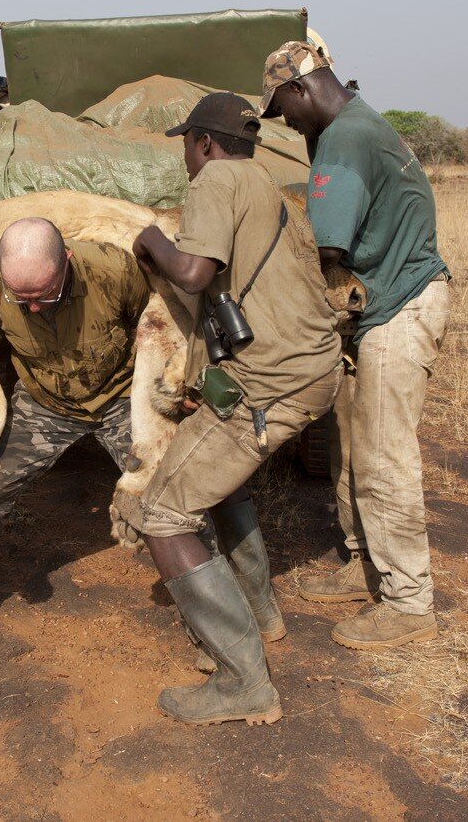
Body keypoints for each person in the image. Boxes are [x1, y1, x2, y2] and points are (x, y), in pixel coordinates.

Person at [130, 92, 343, 725]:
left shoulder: (216, 178)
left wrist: (150, 241)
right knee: (219, 487)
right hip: (311, 371)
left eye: (186, 146)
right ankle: (261, 611)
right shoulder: (269, 186)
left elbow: (194, 273)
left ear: (202, 143)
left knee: (163, 513)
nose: (187, 159)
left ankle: (242, 679)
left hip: (270, 383)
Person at [259, 41, 452, 651]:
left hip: (397, 309)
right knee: (349, 440)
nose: (285, 123)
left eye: (282, 109)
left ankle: (407, 600)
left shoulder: (343, 138)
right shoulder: (363, 123)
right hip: (381, 305)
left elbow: (329, 253)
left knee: (383, 455)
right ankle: (364, 560)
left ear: (301, 89)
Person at [0, 217, 151, 613]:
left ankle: (206, 603)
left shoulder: (115, 271)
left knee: (166, 496)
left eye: (44, 294)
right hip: (45, 404)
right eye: (22, 299)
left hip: (122, 397)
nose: (34, 307)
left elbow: (154, 329)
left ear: (67, 260)